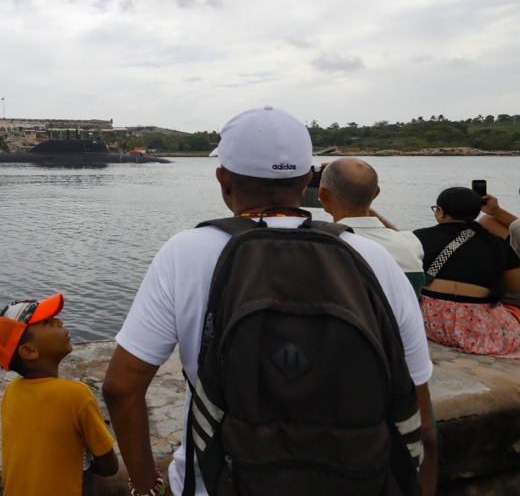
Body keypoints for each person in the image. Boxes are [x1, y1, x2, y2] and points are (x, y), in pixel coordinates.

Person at [102, 106, 436, 496]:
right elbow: (422, 424)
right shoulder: (372, 258)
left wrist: (145, 486)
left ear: (224, 180)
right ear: (308, 179)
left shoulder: (185, 253)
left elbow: (121, 388)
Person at [0, 293, 118, 495]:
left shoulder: (11, 392)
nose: (60, 321)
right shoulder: (76, 395)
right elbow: (109, 466)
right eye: (48, 322)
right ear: (29, 351)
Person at [413, 187, 520, 357]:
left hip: (432, 323)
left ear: (440, 212)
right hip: (478, 330)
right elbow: (516, 286)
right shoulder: (496, 244)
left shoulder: (418, 237)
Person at [318, 157, 427, 294]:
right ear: (376, 193)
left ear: (322, 194)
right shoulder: (410, 243)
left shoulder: (322, 247)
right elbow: (394, 236)